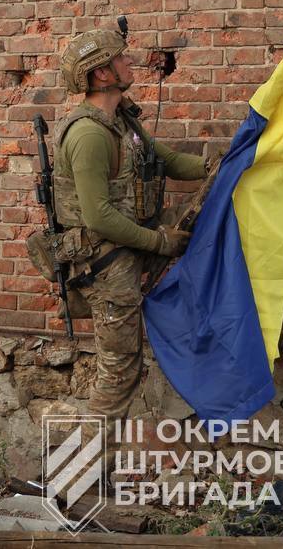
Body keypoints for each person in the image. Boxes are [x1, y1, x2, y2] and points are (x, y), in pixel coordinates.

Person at [52, 27, 208, 417]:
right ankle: (90, 457)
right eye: (120, 57)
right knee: (119, 376)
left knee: (125, 372)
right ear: (102, 73)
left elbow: (167, 161)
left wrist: (216, 165)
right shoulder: (89, 135)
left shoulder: (123, 121)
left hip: (126, 251)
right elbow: (99, 216)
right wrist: (160, 242)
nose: (129, 61)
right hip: (106, 267)